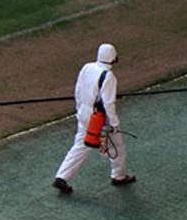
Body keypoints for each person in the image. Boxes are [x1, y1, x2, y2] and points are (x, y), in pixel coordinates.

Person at [53, 43, 135, 194]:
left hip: (84, 114)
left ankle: (62, 176)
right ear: (113, 58)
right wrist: (114, 124)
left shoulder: (87, 67)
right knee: (117, 146)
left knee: (80, 145)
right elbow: (108, 103)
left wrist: (80, 109)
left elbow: (78, 90)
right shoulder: (108, 76)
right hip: (100, 119)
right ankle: (119, 176)